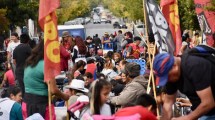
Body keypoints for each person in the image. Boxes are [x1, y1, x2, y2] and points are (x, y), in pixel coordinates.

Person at [153, 53, 215, 120]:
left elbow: (208, 103)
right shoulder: (171, 75)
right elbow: (168, 102)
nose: (167, 80)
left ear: (174, 66)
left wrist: (187, 118)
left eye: (167, 77)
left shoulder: (194, 65)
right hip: (205, 112)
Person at [22, 40, 69, 119]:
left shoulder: (29, 63)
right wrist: (64, 96)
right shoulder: (47, 66)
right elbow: (53, 90)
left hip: (26, 103)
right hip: (41, 106)